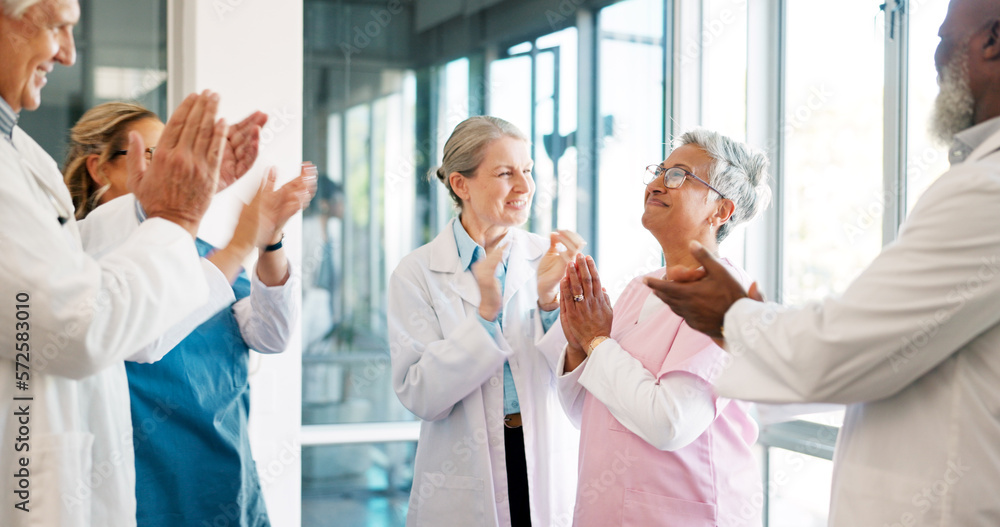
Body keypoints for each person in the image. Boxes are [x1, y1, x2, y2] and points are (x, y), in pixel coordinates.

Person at [645, 0, 1000, 525]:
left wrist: (734, 316)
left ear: (991, 41)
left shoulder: (985, 190)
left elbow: (846, 346)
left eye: (942, 37)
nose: (935, 55)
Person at [0, 1, 245, 525]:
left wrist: (178, 211)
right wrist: (175, 215)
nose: (67, 53)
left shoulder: (21, 154)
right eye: (56, 25)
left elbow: (128, 326)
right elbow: (80, 324)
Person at [63, 102, 314, 527]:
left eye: (173, 156)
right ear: (100, 168)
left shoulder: (202, 257)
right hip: (142, 491)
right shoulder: (81, 257)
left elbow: (274, 334)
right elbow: (142, 324)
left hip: (224, 485)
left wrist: (269, 242)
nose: (167, 168)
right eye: (151, 154)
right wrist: (237, 244)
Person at [556, 129, 770, 526]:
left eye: (679, 175)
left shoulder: (726, 298)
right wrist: (577, 346)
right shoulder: (639, 289)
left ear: (721, 211)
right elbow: (592, 414)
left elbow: (669, 424)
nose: (656, 184)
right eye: (660, 170)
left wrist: (596, 341)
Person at [388, 116, 584, 526]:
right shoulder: (418, 272)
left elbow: (580, 382)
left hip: (542, 456)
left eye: (528, 171)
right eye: (505, 173)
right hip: (463, 471)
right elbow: (421, 395)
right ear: (461, 185)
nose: (525, 187)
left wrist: (549, 301)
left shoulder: (548, 260)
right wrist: (485, 319)